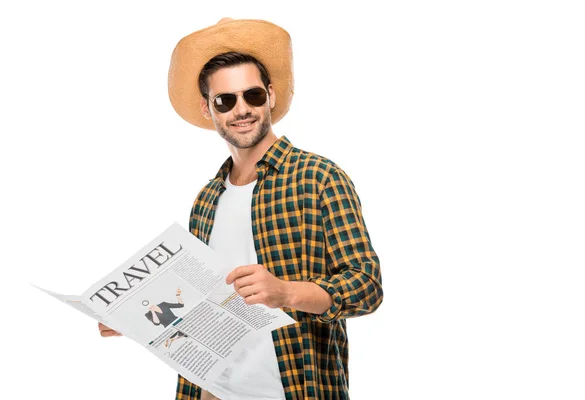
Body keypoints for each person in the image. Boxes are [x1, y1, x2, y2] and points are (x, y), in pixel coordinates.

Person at [99, 17, 383, 400]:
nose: (241, 109)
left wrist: (286, 292)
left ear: (271, 95)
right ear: (207, 109)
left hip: (295, 390)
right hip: (207, 391)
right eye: (225, 100)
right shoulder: (207, 199)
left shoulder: (318, 177)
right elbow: (201, 304)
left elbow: (367, 285)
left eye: (252, 95)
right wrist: (139, 321)